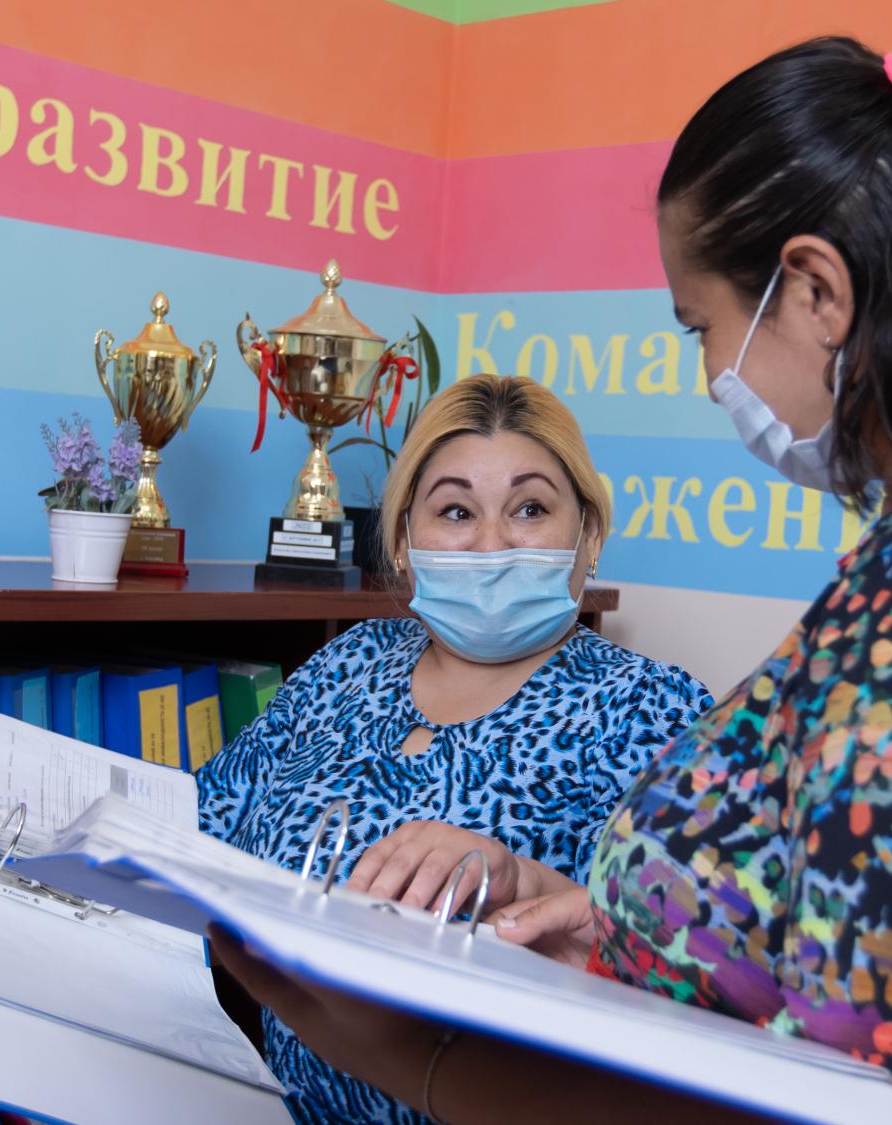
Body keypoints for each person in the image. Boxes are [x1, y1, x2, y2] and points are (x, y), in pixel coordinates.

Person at [212, 16, 892, 1125]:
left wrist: (423, 1070)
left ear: (815, 292)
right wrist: (609, 924)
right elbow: (846, 941)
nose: (707, 374)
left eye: (701, 327)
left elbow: (875, 1106)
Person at [196, 373, 713, 1124]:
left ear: (589, 537)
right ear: (405, 542)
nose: (492, 542)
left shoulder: (656, 712)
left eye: (530, 508)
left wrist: (523, 882)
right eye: (456, 510)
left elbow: (696, 970)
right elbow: (202, 823)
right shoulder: (349, 662)